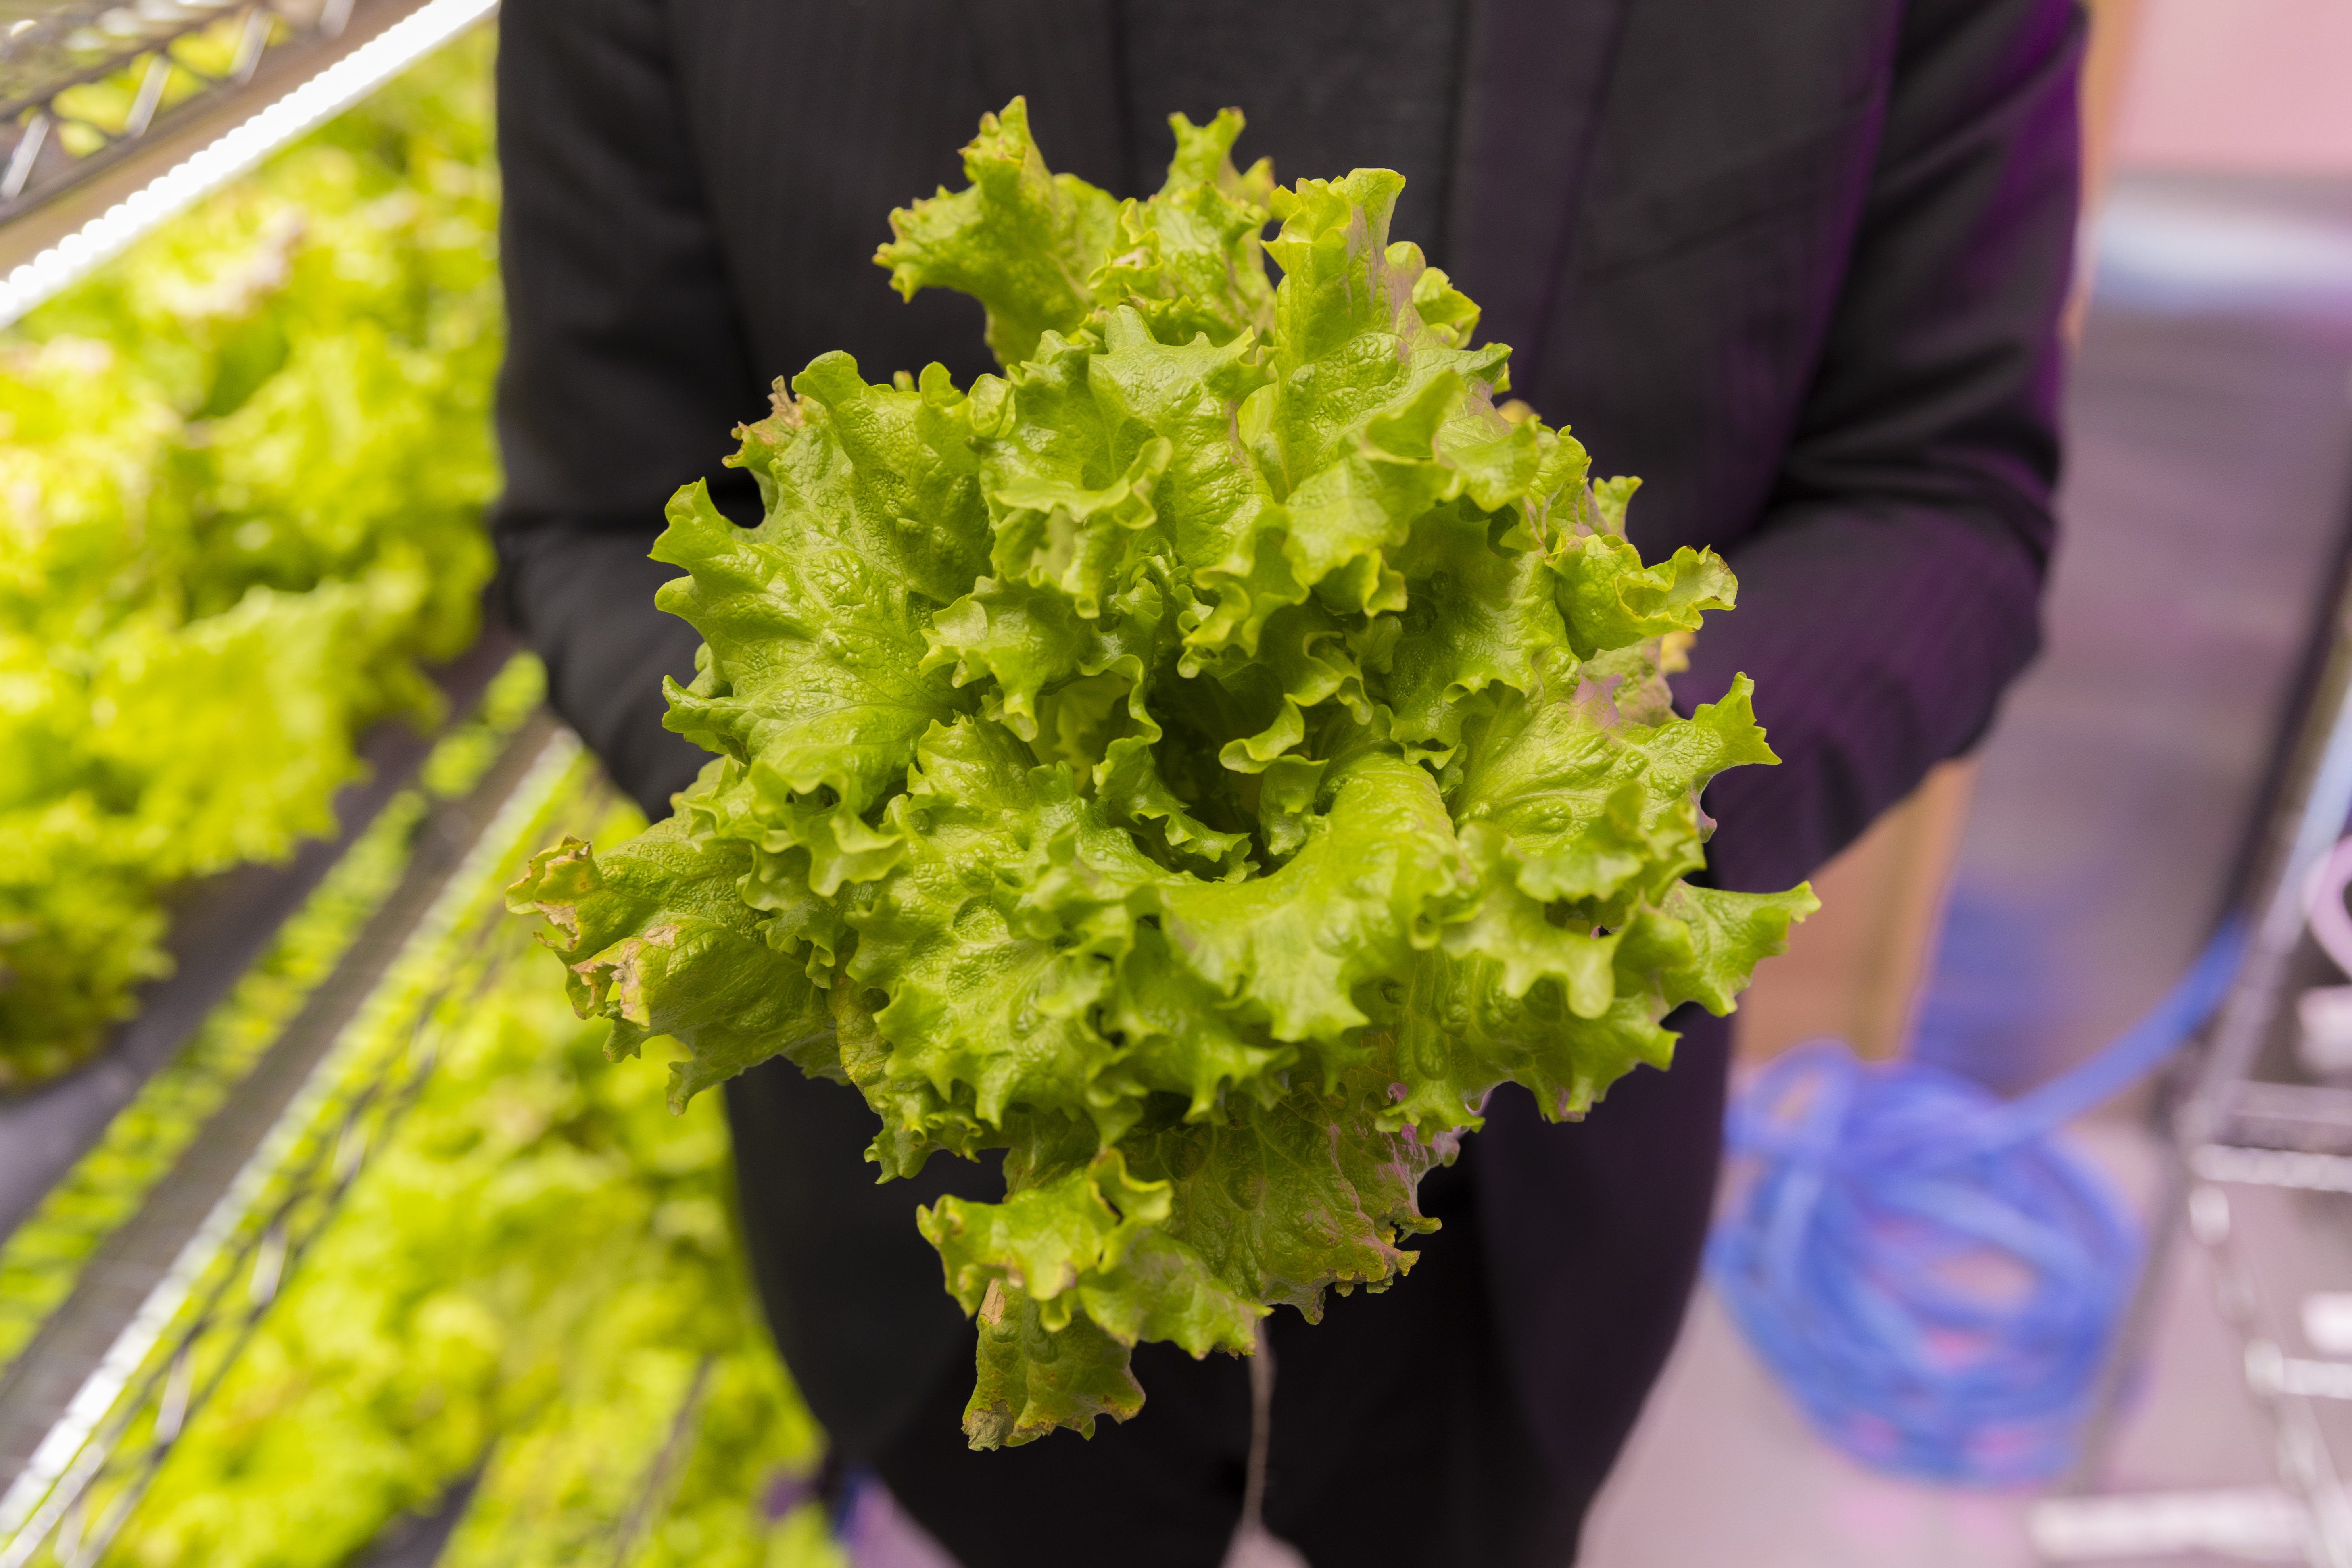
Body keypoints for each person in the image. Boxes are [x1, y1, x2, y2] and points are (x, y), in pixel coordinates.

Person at [488, 2, 2080, 1562]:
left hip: (1518, 1285)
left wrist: (1558, 833)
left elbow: (1940, 497)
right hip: (951, 1289)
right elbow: (605, 519)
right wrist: (909, 885)